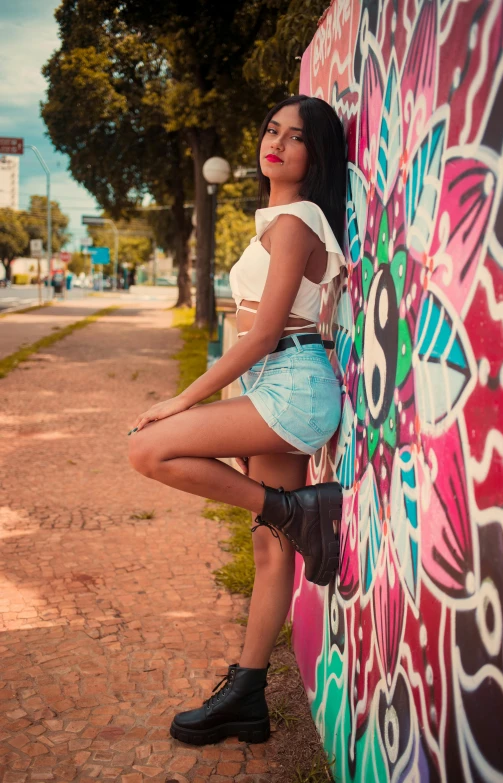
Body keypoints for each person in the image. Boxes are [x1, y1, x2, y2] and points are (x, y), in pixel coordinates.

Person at [127, 95, 346, 746]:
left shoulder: (296, 220)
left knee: (149, 449)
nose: (275, 142)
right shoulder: (283, 218)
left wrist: (181, 399)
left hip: (290, 383)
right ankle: (249, 694)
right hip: (281, 381)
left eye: (296, 136)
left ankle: (299, 508)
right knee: (269, 541)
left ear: (317, 154)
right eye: (271, 128)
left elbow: (262, 334)